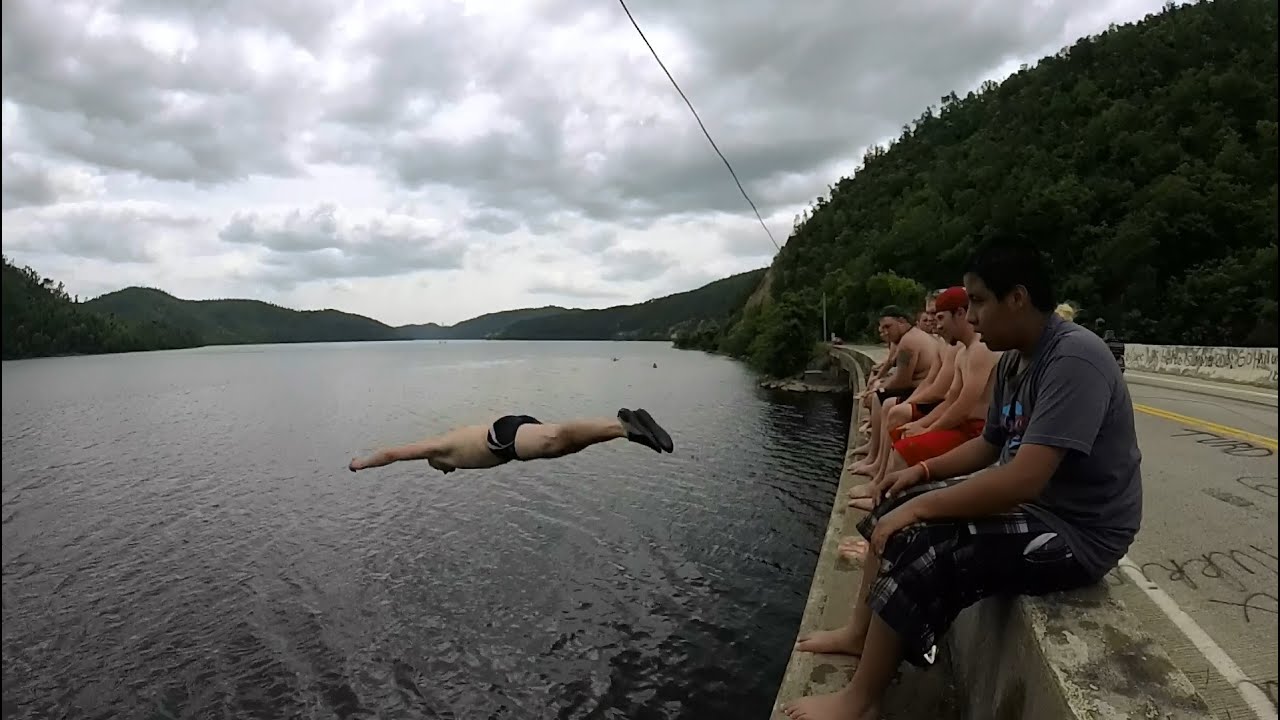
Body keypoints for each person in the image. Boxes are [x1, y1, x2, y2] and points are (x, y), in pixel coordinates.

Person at [782, 246, 1142, 720]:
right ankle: (858, 632)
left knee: (928, 547)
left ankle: (861, 699)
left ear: (1017, 298)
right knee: (892, 505)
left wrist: (922, 508)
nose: (970, 317)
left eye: (977, 302)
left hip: (1079, 533)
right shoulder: (1015, 360)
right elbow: (990, 445)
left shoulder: (1074, 359)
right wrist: (921, 474)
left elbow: (1023, 479)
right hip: (1038, 508)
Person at [846, 286, 999, 516]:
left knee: (907, 445)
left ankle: (882, 503)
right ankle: (882, 488)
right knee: (902, 433)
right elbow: (951, 400)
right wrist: (922, 425)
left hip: (978, 433)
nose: (935, 325)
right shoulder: (964, 352)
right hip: (965, 425)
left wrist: (927, 428)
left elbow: (963, 406)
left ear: (959, 314)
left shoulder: (979, 351)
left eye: (939, 317)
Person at [348, 408, 674, 473]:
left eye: (440, 469)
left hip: (501, 439)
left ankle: (623, 426)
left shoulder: (439, 448)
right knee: (566, 442)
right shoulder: (451, 446)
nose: (445, 471)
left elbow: (392, 453)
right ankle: (628, 426)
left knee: (557, 440)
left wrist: (360, 464)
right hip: (508, 431)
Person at [849, 307, 939, 470]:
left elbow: (902, 381)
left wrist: (879, 387)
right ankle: (872, 448)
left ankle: (875, 459)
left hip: (925, 392)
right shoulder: (912, 337)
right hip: (923, 387)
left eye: (888, 327)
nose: (884, 332)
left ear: (902, 322)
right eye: (881, 328)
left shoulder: (907, 343)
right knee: (880, 393)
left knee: (880, 396)